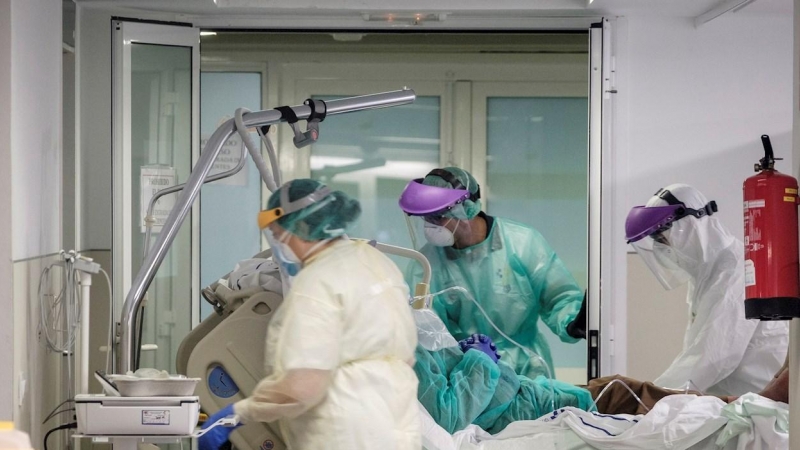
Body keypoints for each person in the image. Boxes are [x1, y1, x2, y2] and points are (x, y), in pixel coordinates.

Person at [199, 179, 421, 450]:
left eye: (280, 235)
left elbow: (301, 385)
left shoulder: (316, 282)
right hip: (396, 428)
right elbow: (406, 356)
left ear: (302, 226)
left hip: (343, 432)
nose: (279, 245)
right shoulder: (379, 264)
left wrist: (238, 414)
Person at [399, 167, 586, 379]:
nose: (430, 226)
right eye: (427, 219)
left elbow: (559, 296)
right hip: (467, 375)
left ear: (466, 209)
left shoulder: (521, 243)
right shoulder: (426, 265)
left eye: (438, 217)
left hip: (528, 370)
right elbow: (426, 330)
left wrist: (573, 322)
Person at [625, 183, 788, 397]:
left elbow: (712, 356)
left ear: (690, 224)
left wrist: (649, 398)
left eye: (664, 238)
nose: (665, 248)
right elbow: (697, 356)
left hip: (756, 410)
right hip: (730, 405)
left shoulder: (735, 271)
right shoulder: (706, 274)